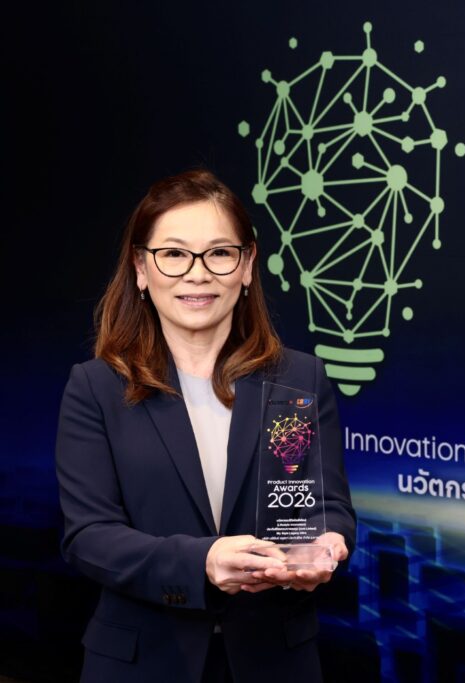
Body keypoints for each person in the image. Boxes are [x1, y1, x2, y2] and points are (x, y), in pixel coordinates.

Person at [55, 168, 357, 682]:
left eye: (219, 253)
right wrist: (202, 561)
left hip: (275, 661)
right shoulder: (97, 387)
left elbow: (327, 507)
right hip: (142, 663)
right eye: (174, 254)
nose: (197, 274)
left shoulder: (299, 378)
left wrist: (326, 544)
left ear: (247, 265)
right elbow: (89, 536)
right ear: (140, 268)